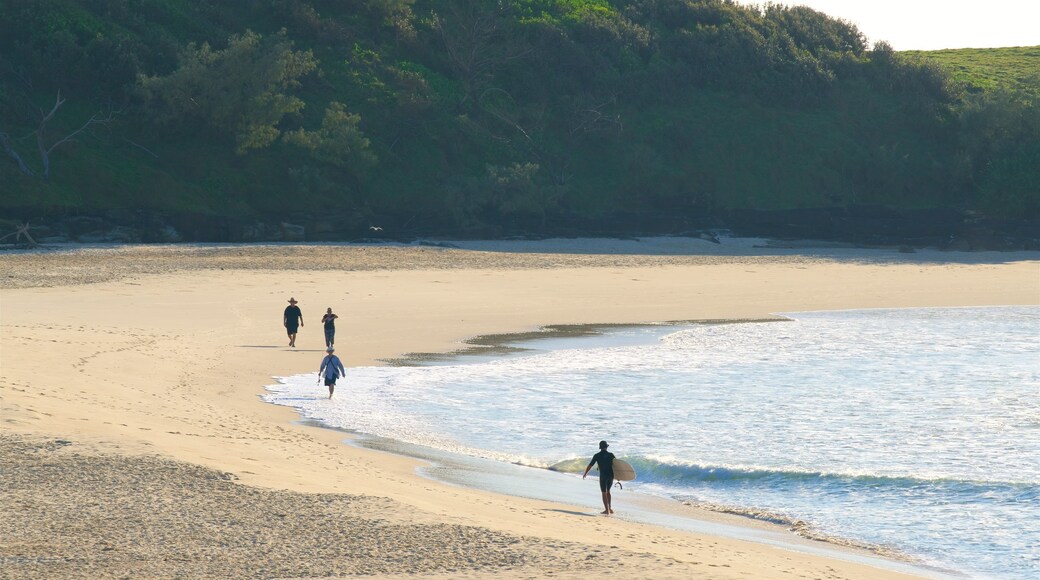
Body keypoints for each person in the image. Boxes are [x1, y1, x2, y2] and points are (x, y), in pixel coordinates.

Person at [582, 440, 616, 515]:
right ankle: (609, 508)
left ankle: (607, 510)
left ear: (600, 447)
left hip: (603, 476)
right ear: (606, 447)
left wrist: (585, 473)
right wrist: (619, 476)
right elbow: (616, 465)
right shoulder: (611, 455)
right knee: (608, 492)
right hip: (610, 475)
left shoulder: (597, 455)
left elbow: (590, 465)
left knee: (604, 493)